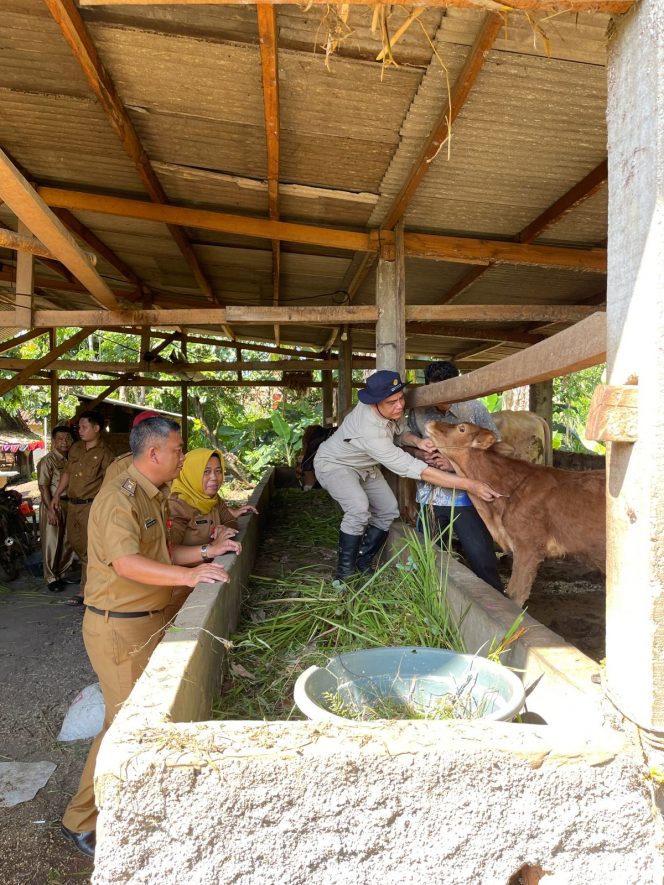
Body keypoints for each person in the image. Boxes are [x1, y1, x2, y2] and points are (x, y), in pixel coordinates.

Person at [60, 416, 229, 859]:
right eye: (176, 450)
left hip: (146, 617)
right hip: (119, 624)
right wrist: (189, 578)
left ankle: (129, 800)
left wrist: (207, 555)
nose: (180, 456)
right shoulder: (120, 497)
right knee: (122, 725)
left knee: (139, 720)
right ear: (154, 453)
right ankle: (80, 819)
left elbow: (163, 552)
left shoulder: (154, 495)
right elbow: (128, 564)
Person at [313, 370, 501, 581]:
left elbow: (400, 433)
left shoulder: (391, 410)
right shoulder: (369, 430)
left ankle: (363, 562)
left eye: (401, 398)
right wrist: (471, 485)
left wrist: (419, 443)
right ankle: (345, 574)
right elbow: (419, 470)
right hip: (337, 464)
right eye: (392, 402)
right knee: (358, 508)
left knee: (387, 510)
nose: (400, 405)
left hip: (366, 466)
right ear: (375, 404)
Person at [403, 361, 503, 593]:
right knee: (427, 558)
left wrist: (454, 462)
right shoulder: (417, 412)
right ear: (428, 387)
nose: (444, 399)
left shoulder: (474, 409)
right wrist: (418, 452)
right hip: (429, 497)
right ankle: (432, 600)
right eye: (437, 392)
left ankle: (497, 606)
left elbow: (494, 446)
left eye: (450, 390)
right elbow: (404, 445)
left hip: (467, 499)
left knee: (482, 559)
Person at [166, 448, 257, 622]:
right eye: (206, 472)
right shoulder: (177, 506)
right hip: (178, 593)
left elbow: (230, 521)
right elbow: (168, 553)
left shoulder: (213, 500)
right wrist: (210, 549)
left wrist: (222, 528)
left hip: (204, 581)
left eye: (218, 471)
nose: (214, 478)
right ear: (191, 472)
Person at [50, 411, 115, 606]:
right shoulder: (76, 448)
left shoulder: (106, 453)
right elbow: (67, 474)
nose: (80, 430)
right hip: (72, 505)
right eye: (79, 427)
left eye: (84, 427)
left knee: (89, 549)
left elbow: (109, 482)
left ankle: (85, 592)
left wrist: (102, 507)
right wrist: (56, 495)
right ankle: (93, 587)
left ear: (96, 429)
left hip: (91, 506)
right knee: (75, 543)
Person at [37, 425, 76, 592]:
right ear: (53, 442)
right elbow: (43, 487)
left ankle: (62, 573)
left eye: (67, 438)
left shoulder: (71, 459)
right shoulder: (47, 460)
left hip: (69, 504)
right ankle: (51, 577)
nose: (64, 442)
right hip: (53, 505)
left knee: (68, 540)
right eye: (60, 439)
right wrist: (51, 510)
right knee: (52, 542)